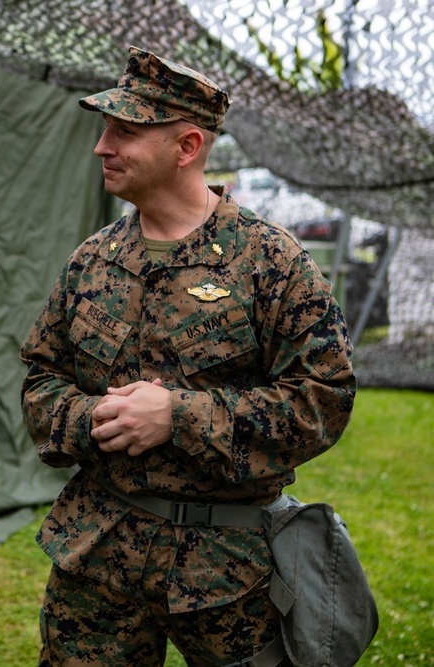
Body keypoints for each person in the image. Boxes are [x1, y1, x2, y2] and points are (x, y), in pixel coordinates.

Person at [20, 46, 355, 666]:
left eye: (125, 131)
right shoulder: (92, 261)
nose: (102, 146)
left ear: (187, 146)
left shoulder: (270, 262)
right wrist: (91, 420)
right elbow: (42, 378)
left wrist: (178, 415)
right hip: (98, 554)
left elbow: (323, 400)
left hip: (227, 571)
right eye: (105, 129)